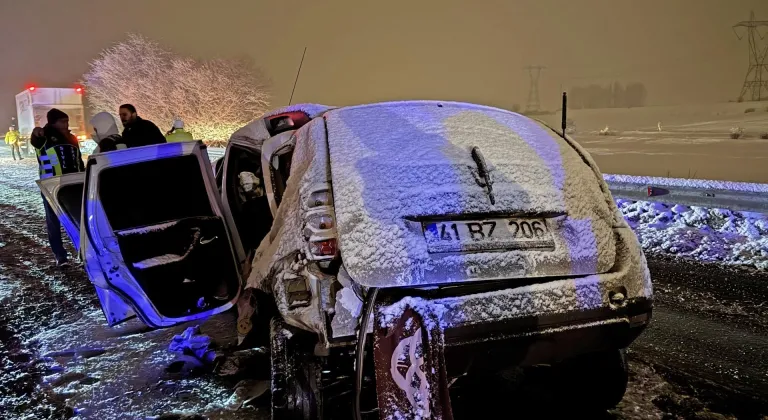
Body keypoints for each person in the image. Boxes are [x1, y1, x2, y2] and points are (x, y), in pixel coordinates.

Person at [30, 108, 85, 266]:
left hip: (74, 184)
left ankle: (83, 251)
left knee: (78, 219)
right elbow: (35, 140)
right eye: (62, 121)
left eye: (67, 121)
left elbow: (78, 160)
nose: (66, 124)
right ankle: (60, 256)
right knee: (53, 221)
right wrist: (35, 132)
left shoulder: (72, 138)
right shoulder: (44, 136)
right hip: (51, 185)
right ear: (53, 123)